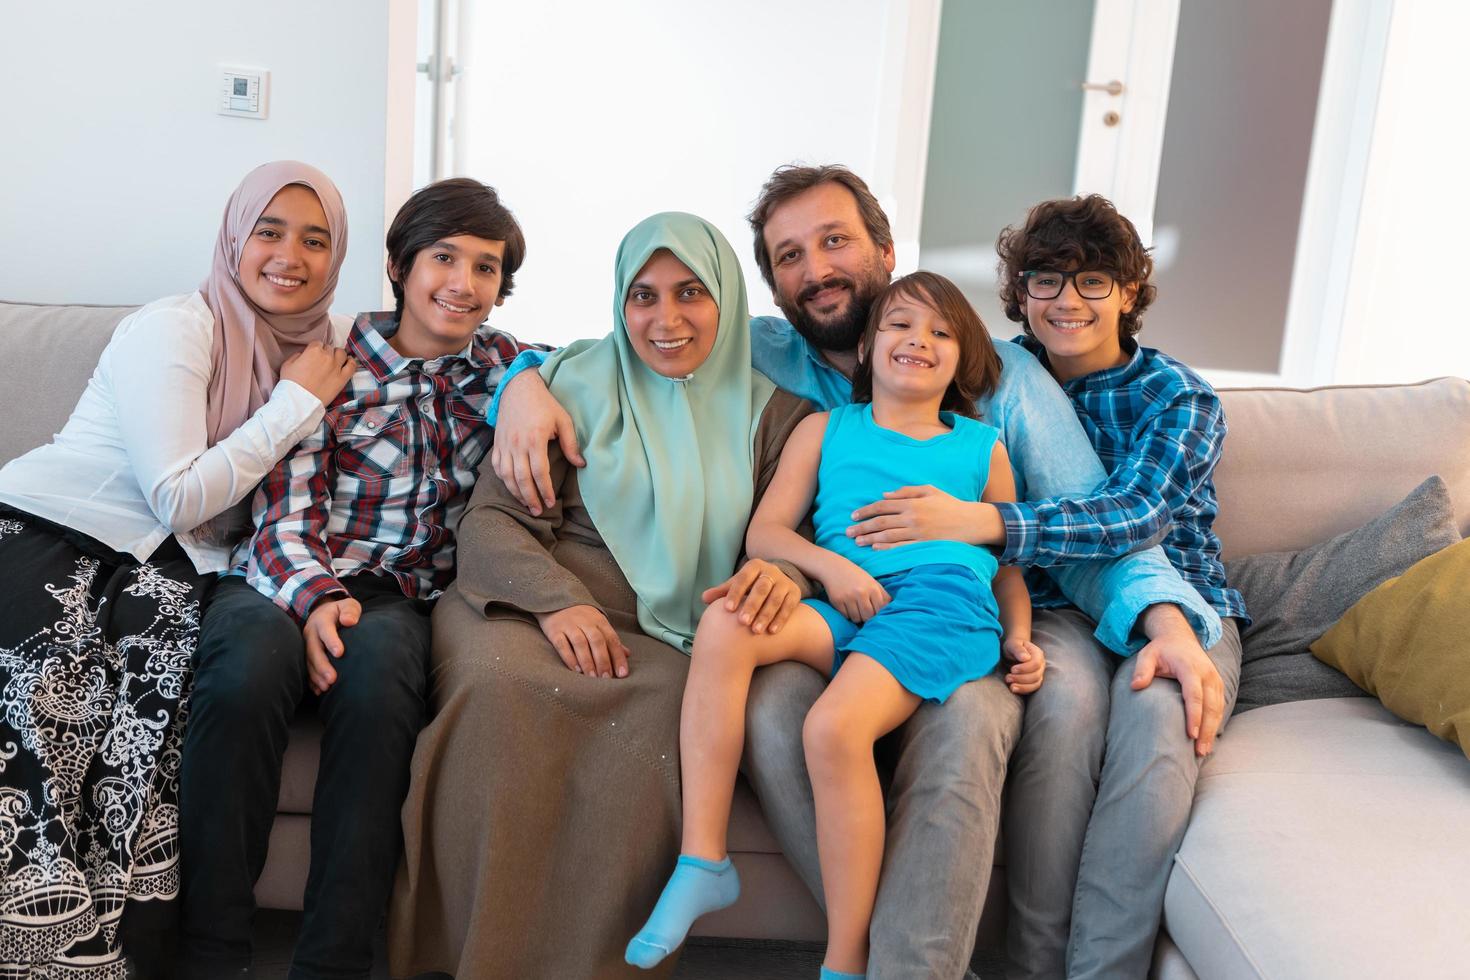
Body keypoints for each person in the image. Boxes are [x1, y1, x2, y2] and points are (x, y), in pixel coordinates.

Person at [489, 164, 1224, 978]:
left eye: (834, 241)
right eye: (791, 255)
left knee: (1002, 719)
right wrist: (519, 383)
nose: (817, 269)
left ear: (884, 248)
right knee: (774, 716)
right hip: (835, 606)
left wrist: (1161, 620)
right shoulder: (762, 352)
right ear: (767, 284)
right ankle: (848, 946)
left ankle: (967, 966)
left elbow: (1097, 520)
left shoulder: (995, 382)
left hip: (964, 604)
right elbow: (620, 343)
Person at [388, 212, 813, 980]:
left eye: (690, 292)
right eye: (642, 297)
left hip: (672, 636)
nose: (665, 318)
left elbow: (806, 539)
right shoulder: (567, 385)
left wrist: (787, 575)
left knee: (661, 710)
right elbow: (492, 521)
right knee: (502, 687)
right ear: (620, 304)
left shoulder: (780, 419)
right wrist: (557, 602)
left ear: (727, 296)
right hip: (524, 602)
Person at [627, 271, 1046, 979]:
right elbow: (767, 533)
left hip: (939, 605)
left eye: (941, 333)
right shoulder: (826, 429)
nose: (919, 341)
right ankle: (703, 860)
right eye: (901, 326)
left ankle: (845, 961)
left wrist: (1019, 635)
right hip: (849, 602)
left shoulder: (982, 447)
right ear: (866, 348)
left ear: (963, 358)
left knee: (830, 729)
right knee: (728, 622)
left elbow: (1007, 565)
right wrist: (833, 569)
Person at [176, 177, 540, 979]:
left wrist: (531, 387)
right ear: (400, 265)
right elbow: (285, 508)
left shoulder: (509, 370)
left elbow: (591, 366)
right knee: (241, 675)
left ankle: (333, 962)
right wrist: (317, 599)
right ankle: (209, 951)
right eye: (445, 258)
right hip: (285, 572)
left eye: (486, 268)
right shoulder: (329, 365)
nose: (463, 283)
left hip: (402, 598)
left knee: (378, 687)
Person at [0, 161, 354, 976]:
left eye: (315, 238)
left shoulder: (323, 353)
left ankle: (109, 950)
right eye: (268, 231)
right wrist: (293, 406)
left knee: (154, 698)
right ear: (234, 238)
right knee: (43, 687)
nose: (288, 256)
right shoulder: (178, 328)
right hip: (50, 529)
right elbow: (180, 497)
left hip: (164, 573)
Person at [983, 194, 1246, 979]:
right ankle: (1031, 968)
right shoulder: (994, 376)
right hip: (1054, 608)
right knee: (1061, 718)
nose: (1067, 301)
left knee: (1161, 722)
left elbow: (1134, 515)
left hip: (1182, 603)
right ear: (1020, 293)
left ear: (1129, 292)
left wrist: (995, 523)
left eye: (1093, 280)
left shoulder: (1179, 398)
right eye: (1045, 279)